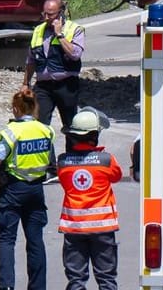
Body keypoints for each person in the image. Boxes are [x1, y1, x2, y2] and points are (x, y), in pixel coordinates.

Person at [0, 88, 55, 290]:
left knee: (7, 240)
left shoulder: (10, 131)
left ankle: (7, 286)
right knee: (35, 240)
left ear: (16, 108)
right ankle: (38, 286)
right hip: (36, 188)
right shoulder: (46, 130)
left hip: (14, 189)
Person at [56, 108, 122, 290]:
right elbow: (116, 176)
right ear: (95, 135)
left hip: (74, 228)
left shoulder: (62, 162)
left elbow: (64, 181)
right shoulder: (107, 160)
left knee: (76, 280)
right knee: (106, 279)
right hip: (103, 228)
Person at [22, 0, 84, 136]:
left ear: (61, 13)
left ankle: (71, 156)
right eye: (44, 13)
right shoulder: (38, 30)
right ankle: (46, 157)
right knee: (40, 126)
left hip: (66, 85)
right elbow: (31, 60)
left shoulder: (75, 29)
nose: (46, 18)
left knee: (71, 126)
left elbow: (75, 54)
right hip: (43, 86)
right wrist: (26, 83)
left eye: (50, 14)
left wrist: (60, 34)